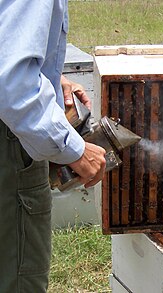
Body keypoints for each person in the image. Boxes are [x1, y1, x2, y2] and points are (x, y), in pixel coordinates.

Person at [0, 1, 106, 291]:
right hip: (9, 143)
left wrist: (48, 76)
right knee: (19, 278)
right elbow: (12, 86)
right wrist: (75, 149)